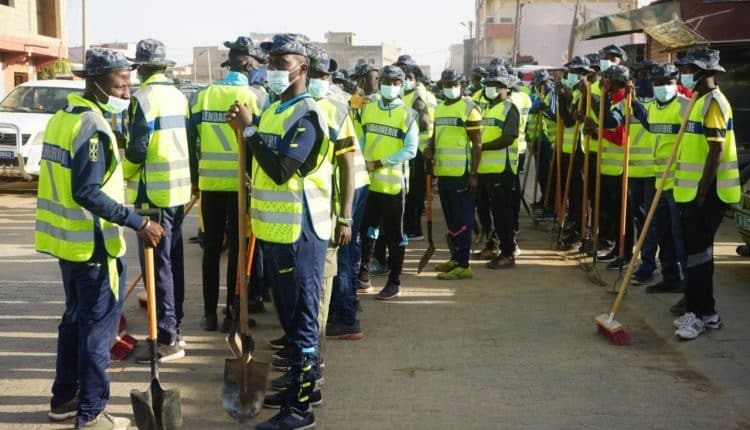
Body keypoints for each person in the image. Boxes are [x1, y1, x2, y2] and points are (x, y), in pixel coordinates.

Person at [37, 48, 164, 429]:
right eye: (120, 85)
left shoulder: (63, 118)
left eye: (129, 85)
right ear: (95, 82)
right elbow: (87, 190)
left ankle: (64, 399)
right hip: (95, 246)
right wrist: (137, 222)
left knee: (74, 323)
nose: (127, 93)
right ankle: (92, 413)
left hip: (69, 244)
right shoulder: (91, 126)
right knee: (97, 331)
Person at [228, 33, 332, 429]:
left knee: (302, 322)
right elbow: (259, 163)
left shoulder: (308, 115)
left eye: (281, 63)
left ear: (302, 68)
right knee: (289, 319)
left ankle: (300, 409)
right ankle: (299, 389)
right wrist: (244, 131)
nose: (273, 69)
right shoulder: (273, 109)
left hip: (301, 233)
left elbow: (282, 169)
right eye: (270, 62)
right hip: (275, 232)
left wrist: (249, 132)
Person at [189, 36, 268, 332]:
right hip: (240, 186)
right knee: (238, 248)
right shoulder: (258, 97)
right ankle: (232, 313)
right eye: (257, 63)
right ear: (248, 64)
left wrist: (195, 178)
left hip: (209, 183)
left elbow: (191, 140)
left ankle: (209, 314)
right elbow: (260, 144)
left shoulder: (204, 95)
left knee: (211, 249)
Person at [122, 39, 192, 363]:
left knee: (157, 267)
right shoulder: (179, 96)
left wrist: (120, 171)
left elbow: (137, 150)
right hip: (177, 191)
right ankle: (175, 326)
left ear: (141, 68)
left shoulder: (142, 99)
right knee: (172, 262)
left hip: (151, 195)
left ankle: (167, 339)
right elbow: (190, 140)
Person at [672, 48, 739, 340]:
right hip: (694, 193)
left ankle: (698, 315)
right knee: (696, 255)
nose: (683, 73)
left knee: (699, 256)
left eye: (688, 68)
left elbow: (716, 149)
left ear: (704, 72)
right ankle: (707, 313)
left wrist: (701, 194)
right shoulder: (699, 101)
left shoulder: (713, 103)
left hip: (707, 194)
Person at [629, 64, 690, 301]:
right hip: (659, 182)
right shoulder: (653, 107)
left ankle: (690, 293)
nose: (663, 87)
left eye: (668, 82)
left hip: (679, 184)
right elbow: (650, 125)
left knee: (680, 238)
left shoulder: (685, 106)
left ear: (676, 83)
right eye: (658, 83)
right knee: (663, 234)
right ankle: (670, 278)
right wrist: (636, 105)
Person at [357, 64, 418, 300]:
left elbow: (410, 150)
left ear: (401, 86)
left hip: (394, 186)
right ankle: (363, 277)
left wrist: (380, 162)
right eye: (386, 82)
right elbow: (364, 138)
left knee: (395, 235)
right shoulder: (369, 109)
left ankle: (394, 281)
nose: (390, 86)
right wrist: (362, 160)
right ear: (380, 82)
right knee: (368, 231)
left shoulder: (407, 114)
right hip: (370, 183)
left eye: (395, 83)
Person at [425, 69, 482, 279]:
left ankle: (464, 265)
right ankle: (455, 257)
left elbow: (477, 143)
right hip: (443, 172)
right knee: (451, 220)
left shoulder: (469, 108)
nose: (450, 88)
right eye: (446, 85)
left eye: (454, 84)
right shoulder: (439, 108)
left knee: (463, 220)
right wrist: (429, 147)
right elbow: (436, 135)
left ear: (462, 85)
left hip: (461, 174)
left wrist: (473, 174)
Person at [582, 64, 633, 270]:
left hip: (620, 168)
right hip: (608, 167)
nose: (604, 84)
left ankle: (625, 254)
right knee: (612, 213)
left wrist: (597, 130)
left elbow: (618, 136)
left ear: (615, 82)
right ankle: (616, 249)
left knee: (622, 215)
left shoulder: (623, 100)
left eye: (607, 80)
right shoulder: (613, 99)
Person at [478, 66, 520, 269]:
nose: (490, 87)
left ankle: (508, 253)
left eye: (495, 84)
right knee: (485, 212)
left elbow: (509, 137)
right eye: (488, 84)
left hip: (501, 170)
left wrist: (482, 147)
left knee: (502, 214)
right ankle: (492, 246)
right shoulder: (487, 108)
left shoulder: (509, 109)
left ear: (506, 87)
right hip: (484, 170)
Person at [626, 60, 658, 285]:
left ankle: (648, 264)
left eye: (647, 76)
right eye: (639, 76)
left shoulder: (660, 103)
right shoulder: (630, 102)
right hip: (634, 171)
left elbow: (651, 125)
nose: (643, 80)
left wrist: (636, 103)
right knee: (639, 219)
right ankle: (641, 259)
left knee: (651, 221)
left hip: (655, 172)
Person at [396, 55, 434, 241]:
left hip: (419, 149)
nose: (405, 79)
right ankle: (413, 226)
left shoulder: (417, 96)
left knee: (413, 192)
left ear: (416, 77)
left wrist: (403, 126)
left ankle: (414, 229)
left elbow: (424, 122)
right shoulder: (417, 93)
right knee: (415, 191)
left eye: (409, 76)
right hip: (421, 148)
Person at [557, 56, 593, 248]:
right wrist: (563, 98)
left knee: (579, 194)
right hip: (567, 149)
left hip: (580, 150)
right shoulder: (574, 93)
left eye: (575, 72)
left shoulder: (585, 93)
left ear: (584, 74)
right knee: (570, 191)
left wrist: (565, 98)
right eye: (569, 72)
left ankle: (581, 230)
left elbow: (571, 121)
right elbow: (565, 118)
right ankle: (573, 223)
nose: (571, 75)